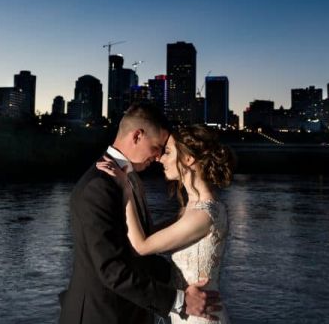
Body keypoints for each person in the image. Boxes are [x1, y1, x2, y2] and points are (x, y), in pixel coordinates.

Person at [59, 103, 221, 324]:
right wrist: (180, 300)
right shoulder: (99, 186)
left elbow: (140, 257)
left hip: (130, 313)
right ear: (137, 136)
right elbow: (112, 269)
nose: (158, 157)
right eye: (157, 147)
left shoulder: (130, 179)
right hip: (103, 315)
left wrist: (183, 280)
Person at [96, 124, 234, 324]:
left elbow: (141, 246)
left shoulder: (202, 215)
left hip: (200, 318)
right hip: (187, 312)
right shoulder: (192, 208)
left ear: (188, 159)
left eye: (167, 152)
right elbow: (150, 235)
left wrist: (125, 189)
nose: (160, 158)